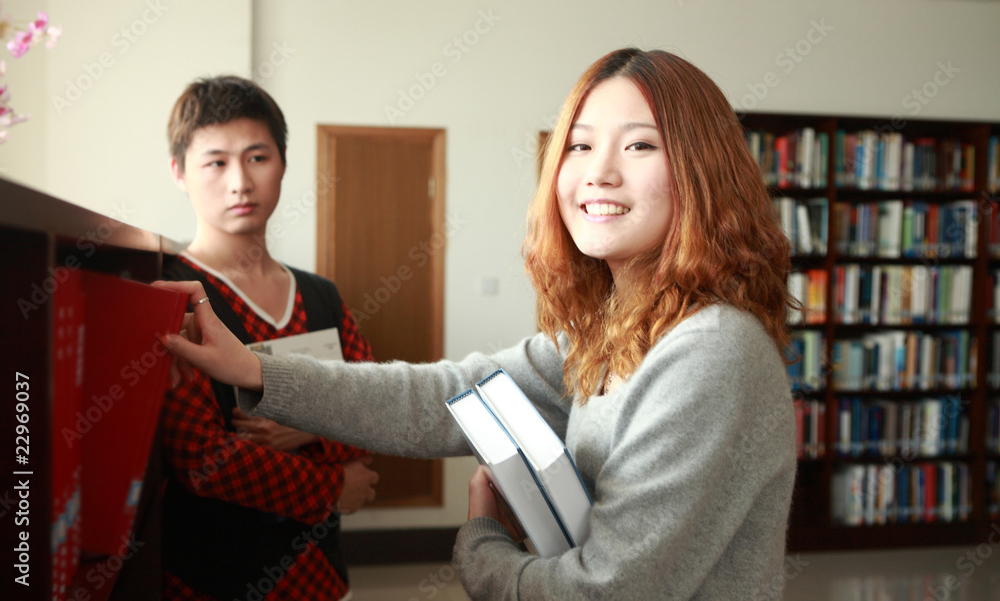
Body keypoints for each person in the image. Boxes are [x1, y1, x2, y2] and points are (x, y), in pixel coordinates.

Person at [158, 49, 798, 599]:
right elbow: (444, 396)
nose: (598, 171)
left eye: (638, 144)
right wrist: (252, 369)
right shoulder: (608, 332)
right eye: (578, 144)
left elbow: (608, 590)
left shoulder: (709, 352)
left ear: (700, 170)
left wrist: (482, 544)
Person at [159, 75, 379, 601]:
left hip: (322, 572)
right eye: (215, 162)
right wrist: (334, 484)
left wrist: (303, 429)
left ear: (282, 163)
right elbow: (201, 458)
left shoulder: (320, 295)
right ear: (179, 173)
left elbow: (376, 408)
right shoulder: (174, 292)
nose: (240, 181)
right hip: (212, 577)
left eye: (257, 157)